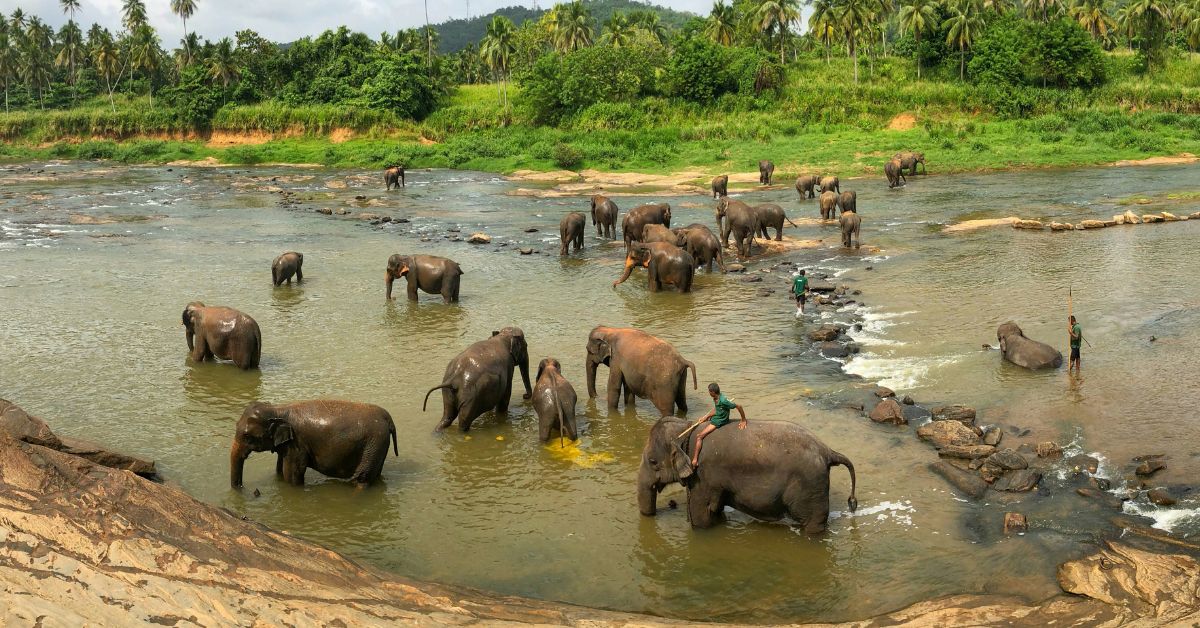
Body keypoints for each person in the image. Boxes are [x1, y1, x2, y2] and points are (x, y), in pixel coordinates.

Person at [690, 382, 747, 468]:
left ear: (713, 392)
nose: (709, 393)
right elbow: (716, 409)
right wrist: (706, 417)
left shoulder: (723, 400)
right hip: (717, 416)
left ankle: (695, 459)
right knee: (704, 420)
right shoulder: (716, 398)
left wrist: (743, 420)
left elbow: (739, 406)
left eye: (709, 391)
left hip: (719, 421)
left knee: (699, 437)